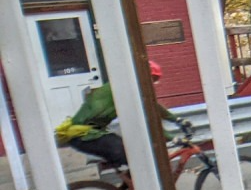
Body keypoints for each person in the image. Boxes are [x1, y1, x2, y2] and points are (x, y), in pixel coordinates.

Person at [55, 60, 188, 168]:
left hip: (89, 134)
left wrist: (177, 120)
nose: (152, 84)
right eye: (152, 79)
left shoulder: (127, 86)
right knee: (135, 159)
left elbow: (152, 106)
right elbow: (146, 119)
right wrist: (172, 138)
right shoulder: (126, 90)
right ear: (143, 76)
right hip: (85, 136)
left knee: (137, 155)